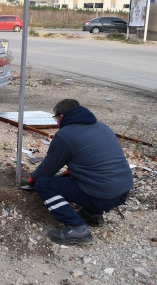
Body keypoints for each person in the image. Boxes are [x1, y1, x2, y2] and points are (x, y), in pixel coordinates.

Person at [28, 99, 133, 245]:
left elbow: (47, 170)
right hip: (123, 191)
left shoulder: (65, 135)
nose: (56, 122)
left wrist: (32, 179)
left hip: (103, 197)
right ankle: (93, 215)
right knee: (81, 179)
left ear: (61, 116)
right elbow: (93, 164)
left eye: (55, 118)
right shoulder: (102, 127)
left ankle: (76, 228)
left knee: (44, 184)